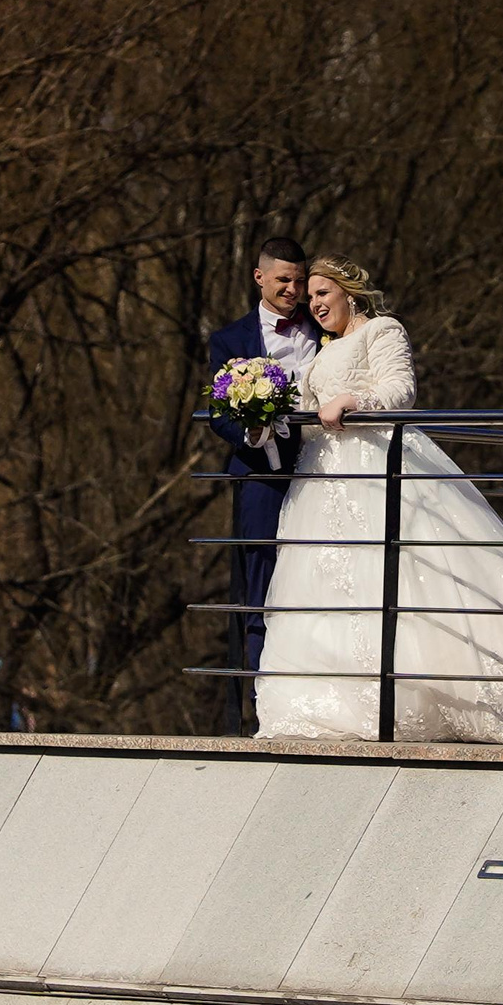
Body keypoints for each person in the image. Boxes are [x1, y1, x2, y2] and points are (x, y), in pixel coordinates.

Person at [253, 259, 503, 744]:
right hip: (323, 480)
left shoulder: (381, 330)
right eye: (311, 296)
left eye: (323, 293)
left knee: (414, 577)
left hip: (379, 466)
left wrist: (354, 402)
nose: (314, 303)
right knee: (329, 589)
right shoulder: (324, 351)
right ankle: (341, 704)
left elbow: (400, 390)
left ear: (349, 293)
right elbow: (306, 413)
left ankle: (454, 698)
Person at [207, 239, 323, 711]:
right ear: (260, 278)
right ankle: (262, 702)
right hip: (260, 474)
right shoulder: (229, 339)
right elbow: (218, 414)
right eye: (283, 280)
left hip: (322, 471)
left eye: (300, 280)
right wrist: (251, 433)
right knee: (259, 580)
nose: (294, 290)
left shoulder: (325, 325)